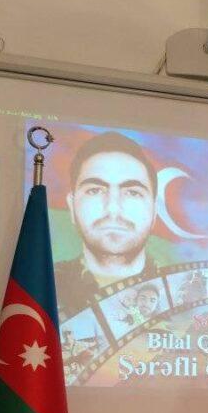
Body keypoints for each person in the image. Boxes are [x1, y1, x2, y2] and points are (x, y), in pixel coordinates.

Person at [55, 132, 160, 318]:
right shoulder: (40, 286)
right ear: (72, 206)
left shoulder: (183, 291)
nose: (113, 208)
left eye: (133, 193)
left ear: (154, 211)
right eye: (94, 190)